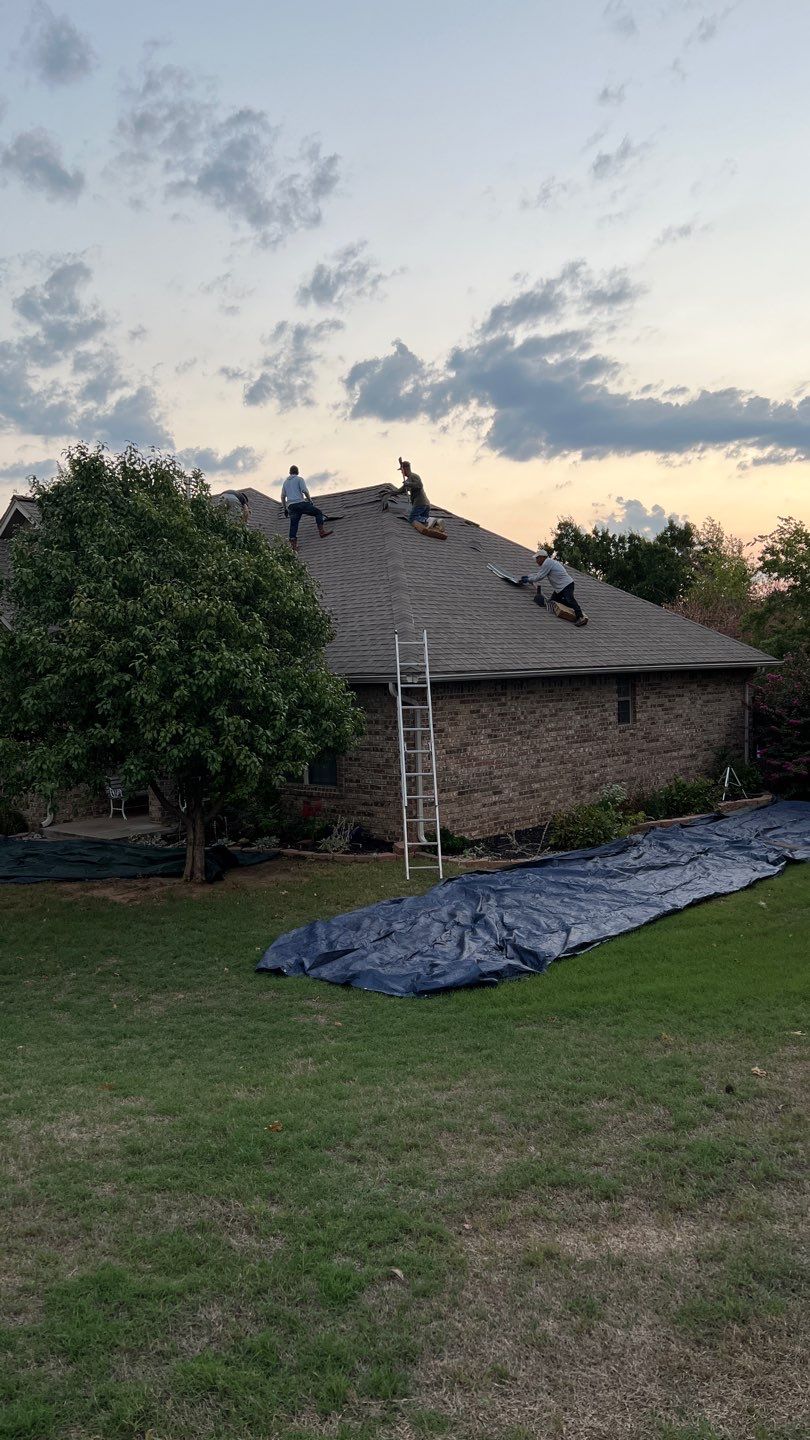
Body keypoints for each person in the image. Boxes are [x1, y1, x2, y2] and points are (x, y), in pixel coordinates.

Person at [520, 548, 588, 626]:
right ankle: (575, 610)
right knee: (553, 601)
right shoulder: (548, 563)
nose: (536, 561)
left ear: (542, 557)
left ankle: (581, 617)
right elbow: (539, 574)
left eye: (537, 558)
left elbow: (540, 577)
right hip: (560, 588)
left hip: (566, 585)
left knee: (570, 600)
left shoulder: (547, 562)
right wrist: (528, 576)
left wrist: (528, 579)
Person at [280, 466, 333, 551]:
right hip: (300, 503)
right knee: (318, 512)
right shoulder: (299, 479)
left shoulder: (285, 483)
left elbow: (282, 496)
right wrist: (310, 500)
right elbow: (304, 490)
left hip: (291, 506)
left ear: (290, 472)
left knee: (293, 524)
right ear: (297, 472)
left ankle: (293, 546)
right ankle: (321, 532)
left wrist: (285, 508)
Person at [396, 458, 431, 526]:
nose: (402, 472)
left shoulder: (414, 476)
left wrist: (408, 484)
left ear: (405, 469)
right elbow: (402, 489)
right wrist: (391, 493)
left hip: (420, 503)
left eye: (402, 470)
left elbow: (419, 485)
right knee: (425, 524)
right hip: (425, 504)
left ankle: (428, 520)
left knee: (412, 518)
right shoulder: (409, 479)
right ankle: (434, 523)